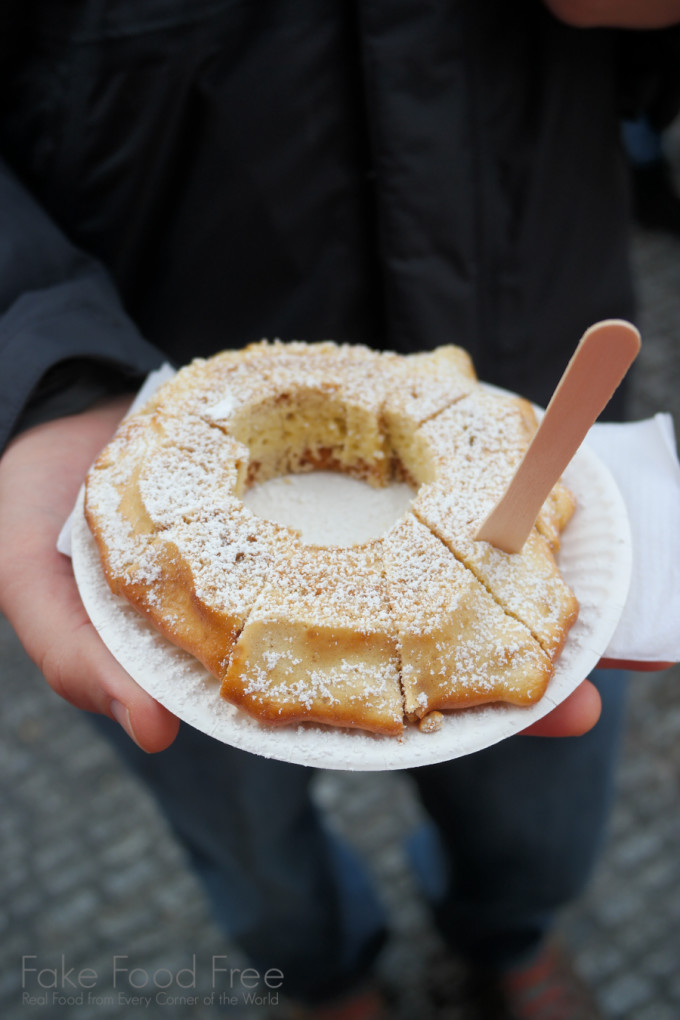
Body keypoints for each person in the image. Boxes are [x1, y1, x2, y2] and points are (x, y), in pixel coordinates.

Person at [1, 2, 679, 1018]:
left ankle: (508, 937)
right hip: (128, 370)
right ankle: (320, 978)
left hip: (532, 380)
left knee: (542, 825)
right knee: (244, 842)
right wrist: (37, 359)